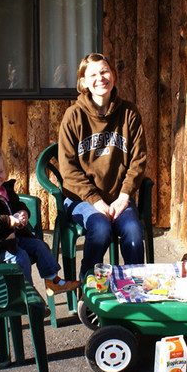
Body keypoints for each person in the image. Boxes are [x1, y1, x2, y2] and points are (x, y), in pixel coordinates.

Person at [58, 53, 147, 280]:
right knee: (100, 229)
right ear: (83, 83)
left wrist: (124, 196)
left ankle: (135, 288)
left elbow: (138, 160)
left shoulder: (129, 114)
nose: (101, 78)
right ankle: (87, 289)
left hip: (119, 198)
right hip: (82, 200)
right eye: (93, 74)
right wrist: (96, 201)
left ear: (113, 76)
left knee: (134, 233)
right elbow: (68, 170)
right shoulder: (73, 116)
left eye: (105, 71)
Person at [0, 141, 80, 295]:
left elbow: (17, 204)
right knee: (20, 257)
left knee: (40, 246)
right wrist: (8, 220)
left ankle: (52, 281)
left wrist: (23, 213)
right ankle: (26, 294)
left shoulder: (5, 190)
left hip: (12, 237)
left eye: (0, 171)